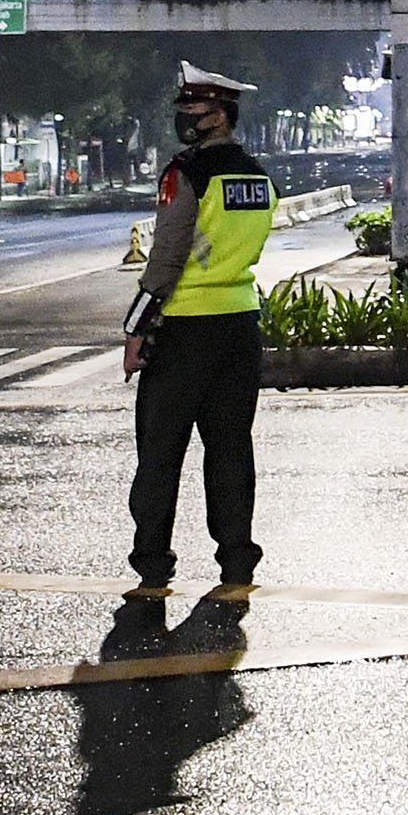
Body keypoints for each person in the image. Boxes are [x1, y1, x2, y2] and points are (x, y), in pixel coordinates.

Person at [123, 63, 274, 594]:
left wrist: (136, 329)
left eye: (197, 113)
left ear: (221, 117)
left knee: (161, 453)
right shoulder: (256, 174)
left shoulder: (185, 173)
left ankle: (152, 562)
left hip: (185, 331)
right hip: (240, 327)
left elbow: (166, 256)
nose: (186, 120)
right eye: (183, 111)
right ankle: (237, 559)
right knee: (231, 448)